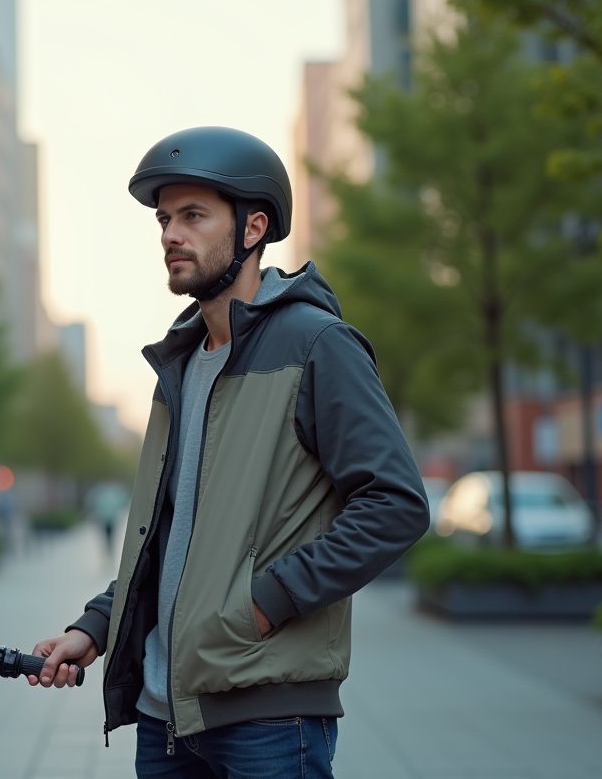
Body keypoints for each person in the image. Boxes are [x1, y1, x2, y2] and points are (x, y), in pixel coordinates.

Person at [27, 127, 429, 778]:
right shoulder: (180, 364)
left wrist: (266, 601)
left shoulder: (315, 345)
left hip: (267, 716)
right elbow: (174, 534)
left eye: (193, 216)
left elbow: (396, 504)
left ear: (253, 227)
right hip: (163, 717)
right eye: (163, 219)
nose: (169, 235)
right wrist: (98, 625)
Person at [85, 480, 129, 553]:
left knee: (111, 533)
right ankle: (108, 547)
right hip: (104, 517)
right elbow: (92, 502)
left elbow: (123, 501)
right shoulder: (99, 490)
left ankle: (110, 547)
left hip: (112, 517)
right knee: (107, 534)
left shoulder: (115, 490)